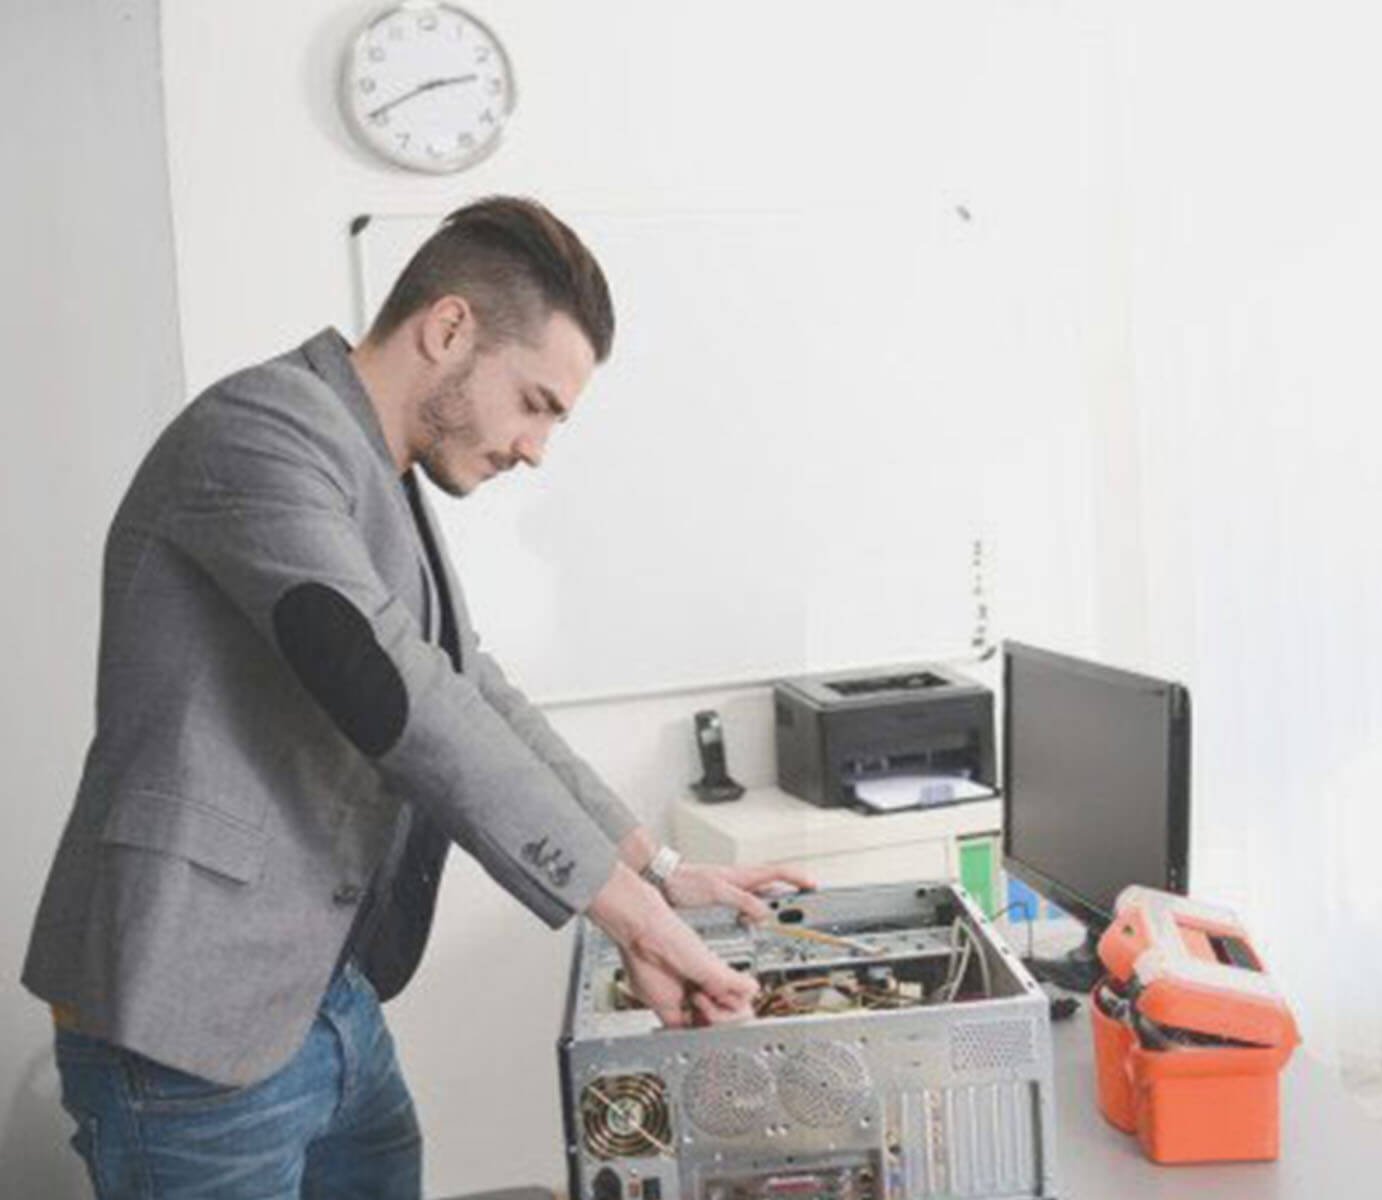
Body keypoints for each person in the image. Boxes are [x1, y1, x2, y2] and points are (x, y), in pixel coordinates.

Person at [22, 195, 812, 1198]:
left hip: (327, 995)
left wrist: (653, 869)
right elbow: (401, 696)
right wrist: (634, 923)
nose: (536, 447)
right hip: (191, 1016)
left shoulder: (374, 465)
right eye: (535, 403)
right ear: (448, 329)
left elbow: (470, 686)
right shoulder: (258, 436)